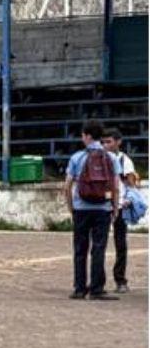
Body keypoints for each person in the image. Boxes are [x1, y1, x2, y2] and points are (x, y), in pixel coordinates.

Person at [65, 120, 122, 300]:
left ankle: (80, 288)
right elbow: (115, 186)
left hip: (81, 208)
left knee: (80, 249)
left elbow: (67, 185)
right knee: (99, 248)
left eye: (83, 135)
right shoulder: (111, 157)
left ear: (88, 136)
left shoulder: (77, 157)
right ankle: (97, 289)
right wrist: (115, 207)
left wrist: (71, 207)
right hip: (102, 208)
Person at [102, 128, 139, 294]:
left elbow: (131, 184)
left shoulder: (125, 160)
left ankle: (120, 279)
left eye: (109, 141)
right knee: (98, 244)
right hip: (101, 204)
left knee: (120, 243)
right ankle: (98, 280)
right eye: (103, 142)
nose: (105, 145)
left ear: (118, 142)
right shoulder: (99, 158)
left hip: (119, 205)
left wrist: (127, 200)